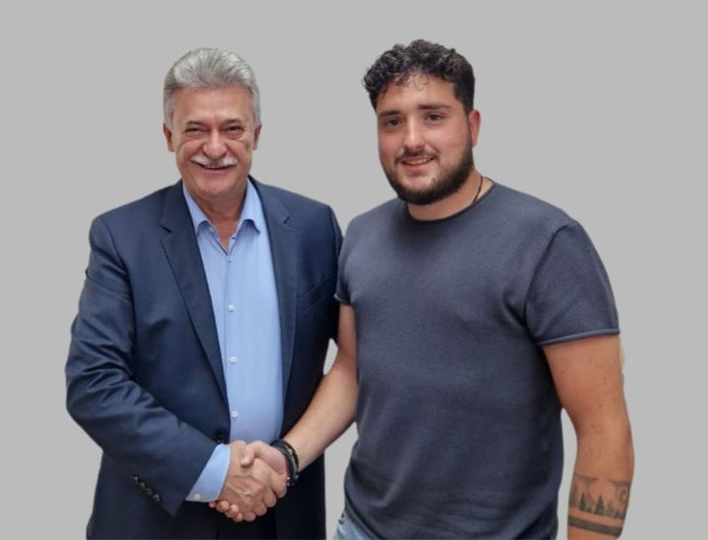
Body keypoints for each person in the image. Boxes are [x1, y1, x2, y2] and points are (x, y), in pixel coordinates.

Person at [220, 40, 634, 539]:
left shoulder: (548, 243)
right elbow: (351, 371)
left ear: (473, 125)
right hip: (362, 530)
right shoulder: (362, 236)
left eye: (433, 117)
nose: (412, 139)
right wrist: (287, 456)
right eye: (392, 121)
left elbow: (603, 429)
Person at [65, 47, 340, 539]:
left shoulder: (314, 228)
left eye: (232, 128)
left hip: (282, 513)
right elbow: (93, 382)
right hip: (158, 519)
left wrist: (287, 459)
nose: (215, 147)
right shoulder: (121, 237)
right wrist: (214, 471)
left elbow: (355, 362)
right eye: (196, 129)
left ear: (256, 135)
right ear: (168, 136)